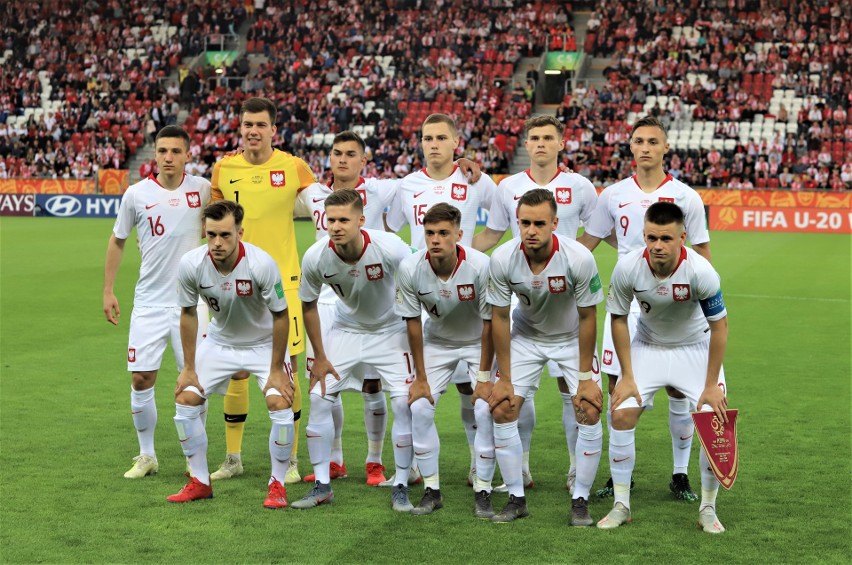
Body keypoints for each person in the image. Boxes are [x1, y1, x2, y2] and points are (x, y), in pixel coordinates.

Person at [295, 130, 482, 486]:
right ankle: (333, 461)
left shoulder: (384, 190)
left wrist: (459, 165)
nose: (343, 159)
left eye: (351, 153)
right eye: (337, 153)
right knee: (323, 387)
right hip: (331, 302)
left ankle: (377, 462)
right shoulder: (313, 193)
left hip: (379, 301)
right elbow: (283, 181)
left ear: (364, 159)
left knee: (375, 387)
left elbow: (427, 178)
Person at [578, 115, 711, 501]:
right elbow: (589, 240)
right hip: (627, 303)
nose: (646, 147)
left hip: (673, 307)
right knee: (617, 389)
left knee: (678, 391)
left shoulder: (686, 197)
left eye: (654, 141)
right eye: (639, 141)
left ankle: (680, 473)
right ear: (631, 146)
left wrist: (702, 303)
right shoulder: (614, 195)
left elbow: (702, 252)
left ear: (665, 147)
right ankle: (620, 476)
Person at [473, 114, 600, 493]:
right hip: (525, 314)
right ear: (526, 145)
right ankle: (522, 468)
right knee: (513, 395)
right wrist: (451, 258)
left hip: (567, 309)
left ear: (562, 143)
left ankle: (577, 469)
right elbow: (493, 234)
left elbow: (595, 231)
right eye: (534, 138)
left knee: (573, 393)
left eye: (548, 137)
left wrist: (567, 267)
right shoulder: (508, 186)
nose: (541, 143)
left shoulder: (580, 186)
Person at [597, 201, 729, 534]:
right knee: (621, 413)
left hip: (694, 348)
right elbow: (617, 318)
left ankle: (708, 509)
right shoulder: (628, 267)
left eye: (666, 238)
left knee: (716, 425)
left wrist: (711, 384)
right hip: (648, 347)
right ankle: (622, 505)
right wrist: (626, 376)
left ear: (682, 237)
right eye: (651, 237)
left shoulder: (701, 271)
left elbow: (720, 327)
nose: (657, 245)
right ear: (644, 235)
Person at [386, 113, 497, 486]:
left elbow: (496, 227)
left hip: (465, 293)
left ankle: (474, 463)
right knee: (411, 391)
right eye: (426, 138)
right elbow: (391, 230)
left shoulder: (475, 181)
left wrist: (470, 254)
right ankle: (415, 465)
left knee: (472, 389)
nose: (432, 144)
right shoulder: (406, 186)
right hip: (423, 296)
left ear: (455, 142)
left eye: (439, 138)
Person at [209, 97, 316, 484]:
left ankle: (290, 460)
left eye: (260, 124)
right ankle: (233, 457)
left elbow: (324, 203)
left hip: (284, 284)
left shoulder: (293, 167)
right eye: (247, 124)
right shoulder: (223, 169)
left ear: (274, 129)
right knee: (236, 371)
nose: (253, 130)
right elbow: (214, 224)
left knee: (287, 372)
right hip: (235, 285)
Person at [291, 189, 417, 512]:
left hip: (390, 330)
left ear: (361, 220)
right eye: (331, 219)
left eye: (344, 219)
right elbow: (307, 304)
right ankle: (322, 485)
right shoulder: (317, 256)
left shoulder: (389, 248)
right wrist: (319, 356)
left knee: (404, 404)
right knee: (319, 398)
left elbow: (417, 281)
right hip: (345, 329)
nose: (336, 226)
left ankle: (401, 484)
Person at [484, 189, 604, 525]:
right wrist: (504, 378)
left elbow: (588, 316)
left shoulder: (579, 258)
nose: (531, 230)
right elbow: (498, 317)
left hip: (570, 338)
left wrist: (584, 378)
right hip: (526, 336)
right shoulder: (503, 258)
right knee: (503, 408)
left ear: (555, 223)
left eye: (539, 223)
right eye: (524, 223)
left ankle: (580, 498)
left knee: (589, 409)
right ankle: (515, 497)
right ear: (516, 223)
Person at [167, 200, 296, 508]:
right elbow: (188, 314)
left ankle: (277, 483)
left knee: (279, 403)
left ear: (240, 232)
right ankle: (199, 481)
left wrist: (278, 368)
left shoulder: (262, 264)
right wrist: (188, 367)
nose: (217, 243)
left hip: (264, 344)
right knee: (185, 399)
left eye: (225, 235)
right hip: (220, 343)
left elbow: (281, 316)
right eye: (211, 235)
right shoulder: (191, 264)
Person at [103, 125, 211, 479]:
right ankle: (146, 455)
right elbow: (118, 240)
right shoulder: (136, 194)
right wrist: (108, 290)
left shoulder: (203, 190)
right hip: (149, 301)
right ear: (155, 154)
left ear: (188, 155)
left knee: (195, 383)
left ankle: (194, 456)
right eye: (163, 151)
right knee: (140, 378)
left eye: (176, 151)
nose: (168, 157)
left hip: (191, 304)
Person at [397, 203, 494, 515]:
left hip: (478, 341)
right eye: (429, 233)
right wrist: (421, 378)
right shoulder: (410, 268)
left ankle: (484, 490)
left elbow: (492, 323)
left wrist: (483, 378)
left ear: (459, 235)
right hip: (437, 341)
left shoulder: (481, 266)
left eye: (443, 233)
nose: (435, 239)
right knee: (420, 407)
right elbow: (412, 322)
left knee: (483, 409)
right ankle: (431, 489)